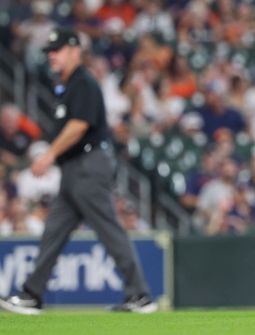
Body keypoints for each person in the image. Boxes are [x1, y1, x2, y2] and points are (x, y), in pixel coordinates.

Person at [0, 28, 156, 315]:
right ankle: (32, 293)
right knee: (54, 232)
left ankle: (141, 295)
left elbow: (79, 126)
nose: (52, 57)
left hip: (89, 165)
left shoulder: (83, 81)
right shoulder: (68, 84)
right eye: (49, 52)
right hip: (74, 169)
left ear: (74, 51)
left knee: (108, 229)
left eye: (57, 51)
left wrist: (49, 154)